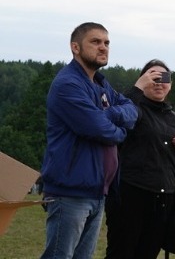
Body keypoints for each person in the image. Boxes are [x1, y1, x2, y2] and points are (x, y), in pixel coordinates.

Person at [40, 22, 138, 259]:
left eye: (106, 43)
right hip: (70, 192)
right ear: (75, 47)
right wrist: (120, 132)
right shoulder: (68, 84)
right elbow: (99, 129)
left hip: (96, 192)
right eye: (95, 42)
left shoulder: (100, 83)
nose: (103, 47)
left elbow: (132, 110)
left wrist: (108, 114)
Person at [104, 59, 175, 259]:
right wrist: (136, 89)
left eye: (165, 78)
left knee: (148, 253)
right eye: (153, 77)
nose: (159, 83)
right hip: (131, 194)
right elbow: (114, 116)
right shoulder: (132, 109)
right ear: (143, 80)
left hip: (163, 199)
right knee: (121, 252)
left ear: (171, 85)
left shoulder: (172, 117)